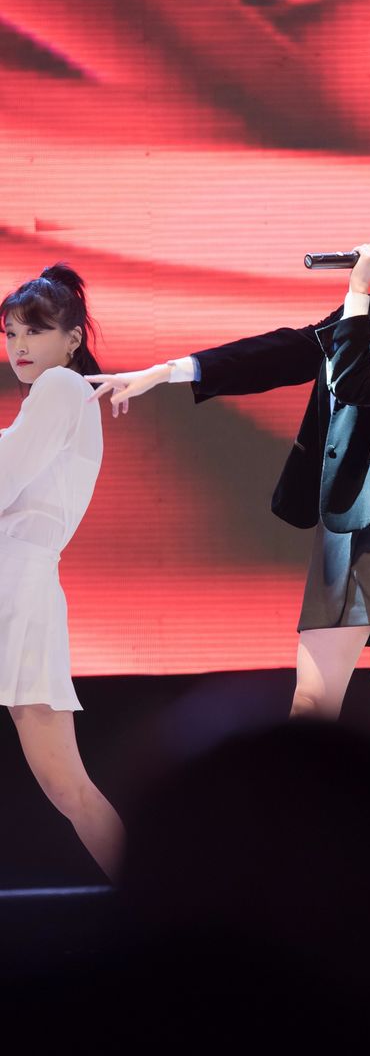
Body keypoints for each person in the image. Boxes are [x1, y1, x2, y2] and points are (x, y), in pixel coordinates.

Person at [86, 178, 370, 877]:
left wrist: (358, 296)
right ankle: (291, 863)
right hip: (342, 520)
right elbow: (284, 351)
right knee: (310, 703)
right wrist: (166, 371)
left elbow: (361, 382)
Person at [0, 264, 124, 880]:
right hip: (17, 582)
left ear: (72, 338)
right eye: (10, 334)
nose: (19, 346)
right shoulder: (50, 399)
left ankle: (161, 905)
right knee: (66, 785)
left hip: (17, 586)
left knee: (65, 783)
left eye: (35, 331)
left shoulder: (60, 388)